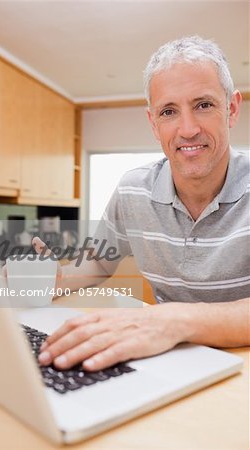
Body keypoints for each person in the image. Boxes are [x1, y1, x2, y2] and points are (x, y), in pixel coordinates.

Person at [35, 36, 250, 371]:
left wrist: (173, 321)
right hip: (165, 359)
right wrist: (56, 279)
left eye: (204, 105)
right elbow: (98, 263)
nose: (188, 129)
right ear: (153, 123)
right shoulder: (133, 190)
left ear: (232, 109)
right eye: (169, 111)